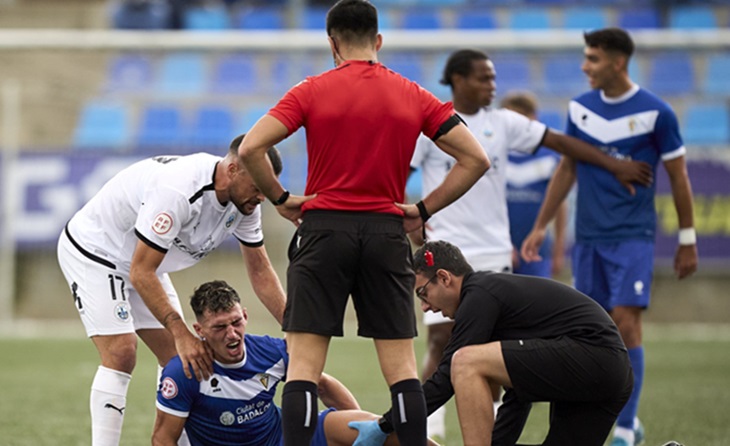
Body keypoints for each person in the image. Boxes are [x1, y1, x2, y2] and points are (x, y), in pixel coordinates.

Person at [238, 2, 491, 446]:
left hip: (323, 232)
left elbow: (251, 148)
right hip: (385, 232)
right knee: (402, 371)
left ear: (332, 43)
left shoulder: (311, 90)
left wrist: (280, 199)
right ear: (378, 41)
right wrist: (423, 208)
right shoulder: (413, 93)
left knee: (303, 368)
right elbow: (475, 159)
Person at [408, 48, 651, 440]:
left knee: (491, 350)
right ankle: (430, 428)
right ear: (456, 79)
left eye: (493, 78)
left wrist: (614, 164)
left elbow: (562, 143)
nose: (492, 86)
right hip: (446, 247)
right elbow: (397, 172)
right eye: (483, 78)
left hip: (492, 249)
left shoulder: (503, 122)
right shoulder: (433, 127)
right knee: (446, 340)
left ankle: (483, 428)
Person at [521, 28, 699, 446]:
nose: (585, 66)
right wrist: (541, 224)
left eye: (593, 59)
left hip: (632, 235)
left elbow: (679, 176)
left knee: (626, 323)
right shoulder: (580, 109)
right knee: (592, 332)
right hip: (589, 239)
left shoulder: (657, 114)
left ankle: (625, 427)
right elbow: (567, 168)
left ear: (618, 62)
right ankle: (597, 422)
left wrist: (687, 238)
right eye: (585, 58)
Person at [57, 135, 288, 446]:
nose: (262, 197)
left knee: (185, 362)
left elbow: (260, 271)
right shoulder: (179, 191)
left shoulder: (245, 205)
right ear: (234, 170)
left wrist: (296, 328)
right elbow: (140, 271)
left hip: (146, 263)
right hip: (98, 252)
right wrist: (180, 331)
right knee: (122, 353)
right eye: (258, 186)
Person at [349, 240, 633, 446]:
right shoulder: (491, 299)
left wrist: (385, 425)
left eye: (423, 294)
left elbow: (447, 377)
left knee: (465, 361)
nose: (424, 307)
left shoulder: (479, 295)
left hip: (596, 357)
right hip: (610, 372)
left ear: (444, 278)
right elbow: (520, 395)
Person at [153, 280, 442, 446]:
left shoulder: (270, 351)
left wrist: (363, 437)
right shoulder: (183, 372)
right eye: (219, 327)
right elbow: (163, 439)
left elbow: (323, 385)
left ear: (245, 316)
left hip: (287, 439)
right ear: (199, 331)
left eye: (236, 322)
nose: (232, 334)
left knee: (383, 430)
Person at [502, 91, 568, 279]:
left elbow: (560, 205)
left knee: (537, 306)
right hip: (499, 248)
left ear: (533, 118)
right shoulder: (492, 156)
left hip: (537, 250)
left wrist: (558, 249)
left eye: (521, 118)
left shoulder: (550, 158)